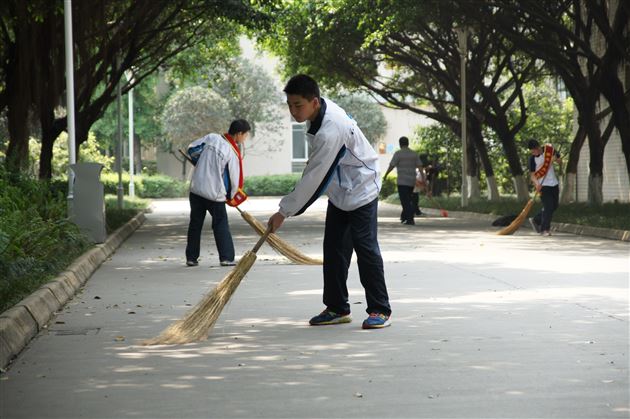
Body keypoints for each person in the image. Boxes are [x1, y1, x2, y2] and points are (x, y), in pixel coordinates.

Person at [267, 74, 392, 329]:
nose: (293, 111)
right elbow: (317, 171)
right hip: (340, 190)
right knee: (334, 250)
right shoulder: (319, 114)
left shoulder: (330, 129)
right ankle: (337, 307)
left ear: (314, 101)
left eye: (298, 105)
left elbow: (314, 178)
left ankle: (380, 309)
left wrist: (283, 212)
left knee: (365, 249)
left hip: (362, 187)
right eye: (290, 105)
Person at [185, 119, 251, 267]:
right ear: (239, 134)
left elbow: (192, 149)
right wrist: (231, 197)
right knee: (220, 224)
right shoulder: (232, 152)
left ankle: (191, 257)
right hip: (214, 194)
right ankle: (226, 258)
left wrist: (200, 162)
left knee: (195, 224)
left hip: (196, 189)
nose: (245, 139)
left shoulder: (212, 137)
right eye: (245, 135)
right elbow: (235, 180)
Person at [382, 137, 423, 225]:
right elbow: (420, 166)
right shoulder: (414, 154)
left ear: (400, 144)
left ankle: (410, 219)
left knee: (405, 201)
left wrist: (386, 175)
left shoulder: (398, 154)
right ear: (408, 143)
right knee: (408, 199)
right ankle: (404, 217)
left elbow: (392, 165)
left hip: (402, 181)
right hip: (411, 181)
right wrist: (423, 178)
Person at [527, 139, 562, 236]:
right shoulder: (532, 159)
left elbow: (560, 162)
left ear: (538, 147)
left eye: (534, 150)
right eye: (532, 151)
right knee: (548, 207)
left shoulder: (549, 150)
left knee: (554, 206)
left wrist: (555, 159)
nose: (533, 153)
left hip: (554, 183)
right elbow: (533, 175)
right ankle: (544, 229)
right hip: (542, 185)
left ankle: (536, 219)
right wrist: (537, 184)